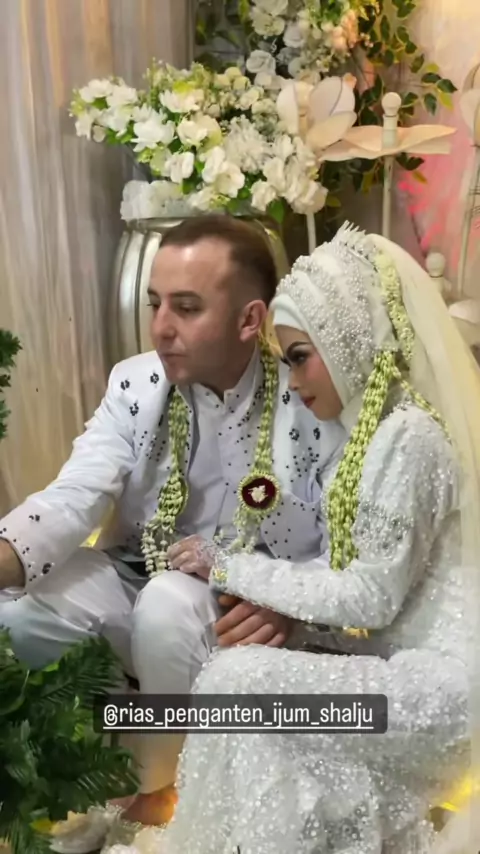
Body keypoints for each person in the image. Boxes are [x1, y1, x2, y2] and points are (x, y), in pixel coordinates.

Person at [118, 223, 480, 854]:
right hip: (399, 667)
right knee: (242, 683)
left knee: (238, 683)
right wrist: (288, 614)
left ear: (347, 341)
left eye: (301, 357)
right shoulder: (372, 433)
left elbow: (370, 599)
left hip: (442, 698)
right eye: (285, 361)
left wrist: (226, 566)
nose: (290, 380)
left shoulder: (409, 439)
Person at [0, 215, 346, 843]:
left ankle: (167, 784)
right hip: (136, 569)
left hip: (240, 607)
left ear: (250, 320)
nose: (161, 327)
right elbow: (75, 494)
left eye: (186, 308)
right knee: (19, 612)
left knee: (164, 605)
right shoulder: (135, 382)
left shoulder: (308, 397)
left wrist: (288, 603)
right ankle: (90, 761)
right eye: (155, 303)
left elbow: (341, 546)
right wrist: (5, 555)